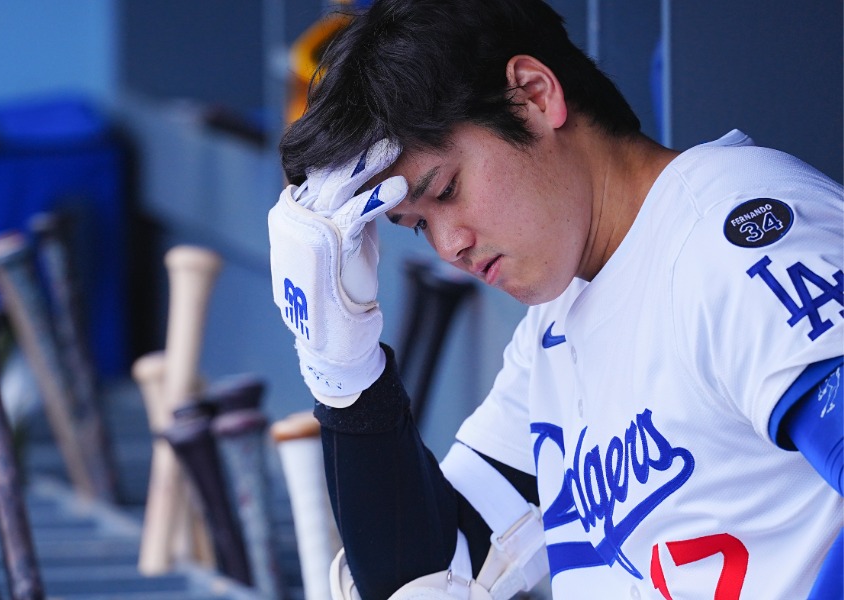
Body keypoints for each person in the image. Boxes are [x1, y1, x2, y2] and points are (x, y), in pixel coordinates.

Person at [267, 0, 843, 597]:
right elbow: (429, 577)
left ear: (535, 96)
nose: (449, 245)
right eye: (417, 225)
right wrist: (345, 370)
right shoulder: (561, 313)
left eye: (447, 189)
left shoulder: (732, 239)